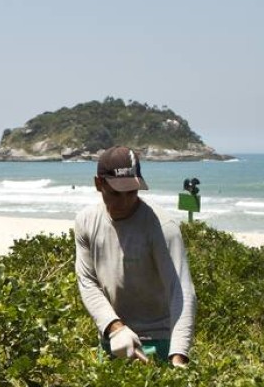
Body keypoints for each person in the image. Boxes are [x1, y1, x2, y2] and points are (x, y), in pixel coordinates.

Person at [74, 147, 196, 367]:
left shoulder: (162, 227)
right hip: (113, 338)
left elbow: (181, 292)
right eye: (116, 193)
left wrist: (178, 355)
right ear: (98, 184)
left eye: (132, 193)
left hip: (160, 340)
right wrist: (115, 328)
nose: (125, 202)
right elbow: (88, 282)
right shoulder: (85, 222)